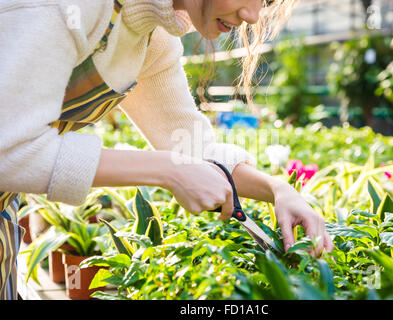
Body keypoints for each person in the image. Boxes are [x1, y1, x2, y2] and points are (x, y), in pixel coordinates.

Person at [0, 0, 333, 300]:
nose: (251, 15)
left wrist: (278, 190)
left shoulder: (152, 38)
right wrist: (168, 170)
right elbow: (10, 150)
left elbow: (190, 144)